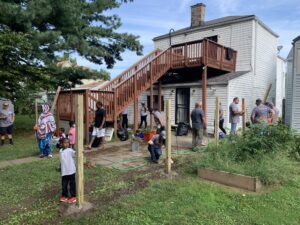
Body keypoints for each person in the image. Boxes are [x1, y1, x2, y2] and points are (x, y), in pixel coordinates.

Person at [59, 138, 76, 204]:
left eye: (68, 143)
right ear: (62, 143)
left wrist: (80, 151)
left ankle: (73, 196)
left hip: (71, 171)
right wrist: (60, 167)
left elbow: (74, 153)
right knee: (64, 185)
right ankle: (64, 196)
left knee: (72, 184)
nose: (66, 144)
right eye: (65, 142)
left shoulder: (70, 150)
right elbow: (61, 161)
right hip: (64, 171)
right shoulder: (60, 151)